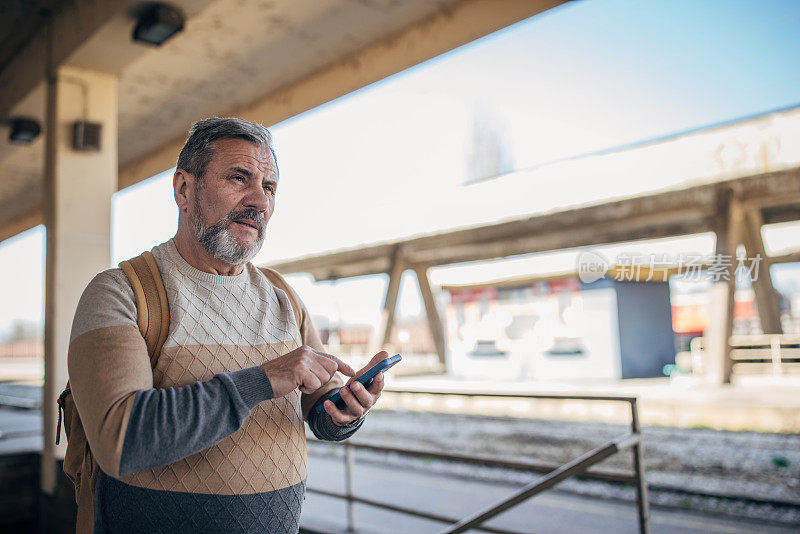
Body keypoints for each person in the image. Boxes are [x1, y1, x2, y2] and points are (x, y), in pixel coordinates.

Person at [67, 117, 385, 533]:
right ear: (184, 188)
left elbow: (317, 407)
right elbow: (122, 438)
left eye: (269, 188)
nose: (260, 202)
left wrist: (344, 410)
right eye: (240, 178)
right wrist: (262, 380)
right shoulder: (121, 292)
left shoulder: (283, 296)